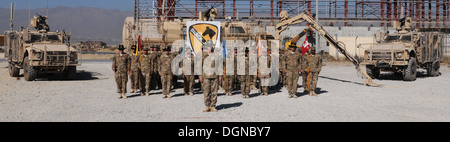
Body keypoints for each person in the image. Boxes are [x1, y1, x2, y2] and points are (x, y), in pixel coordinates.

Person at [200, 43, 221, 112]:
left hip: (215, 76)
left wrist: (220, 75)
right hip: (205, 76)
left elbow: (219, 66)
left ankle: (213, 106)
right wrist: (200, 76)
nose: (210, 47)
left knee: (214, 92)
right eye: (208, 46)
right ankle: (207, 106)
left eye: (211, 46)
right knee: (206, 92)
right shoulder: (203, 56)